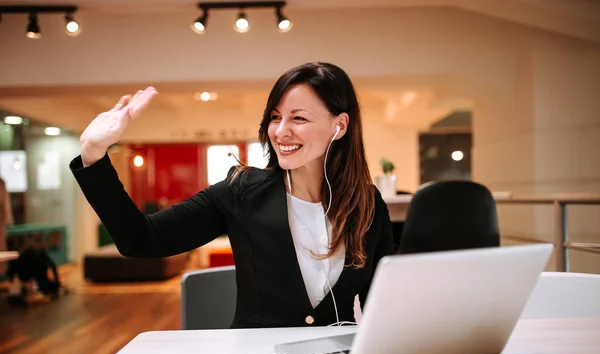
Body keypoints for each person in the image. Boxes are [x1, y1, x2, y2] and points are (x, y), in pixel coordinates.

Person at [70, 62, 394, 328]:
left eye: (299, 118)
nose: (281, 131)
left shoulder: (367, 204)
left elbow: (386, 302)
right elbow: (141, 239)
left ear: (339, 126)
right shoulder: (242, 192)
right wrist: (93, 154)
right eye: (275, 117)